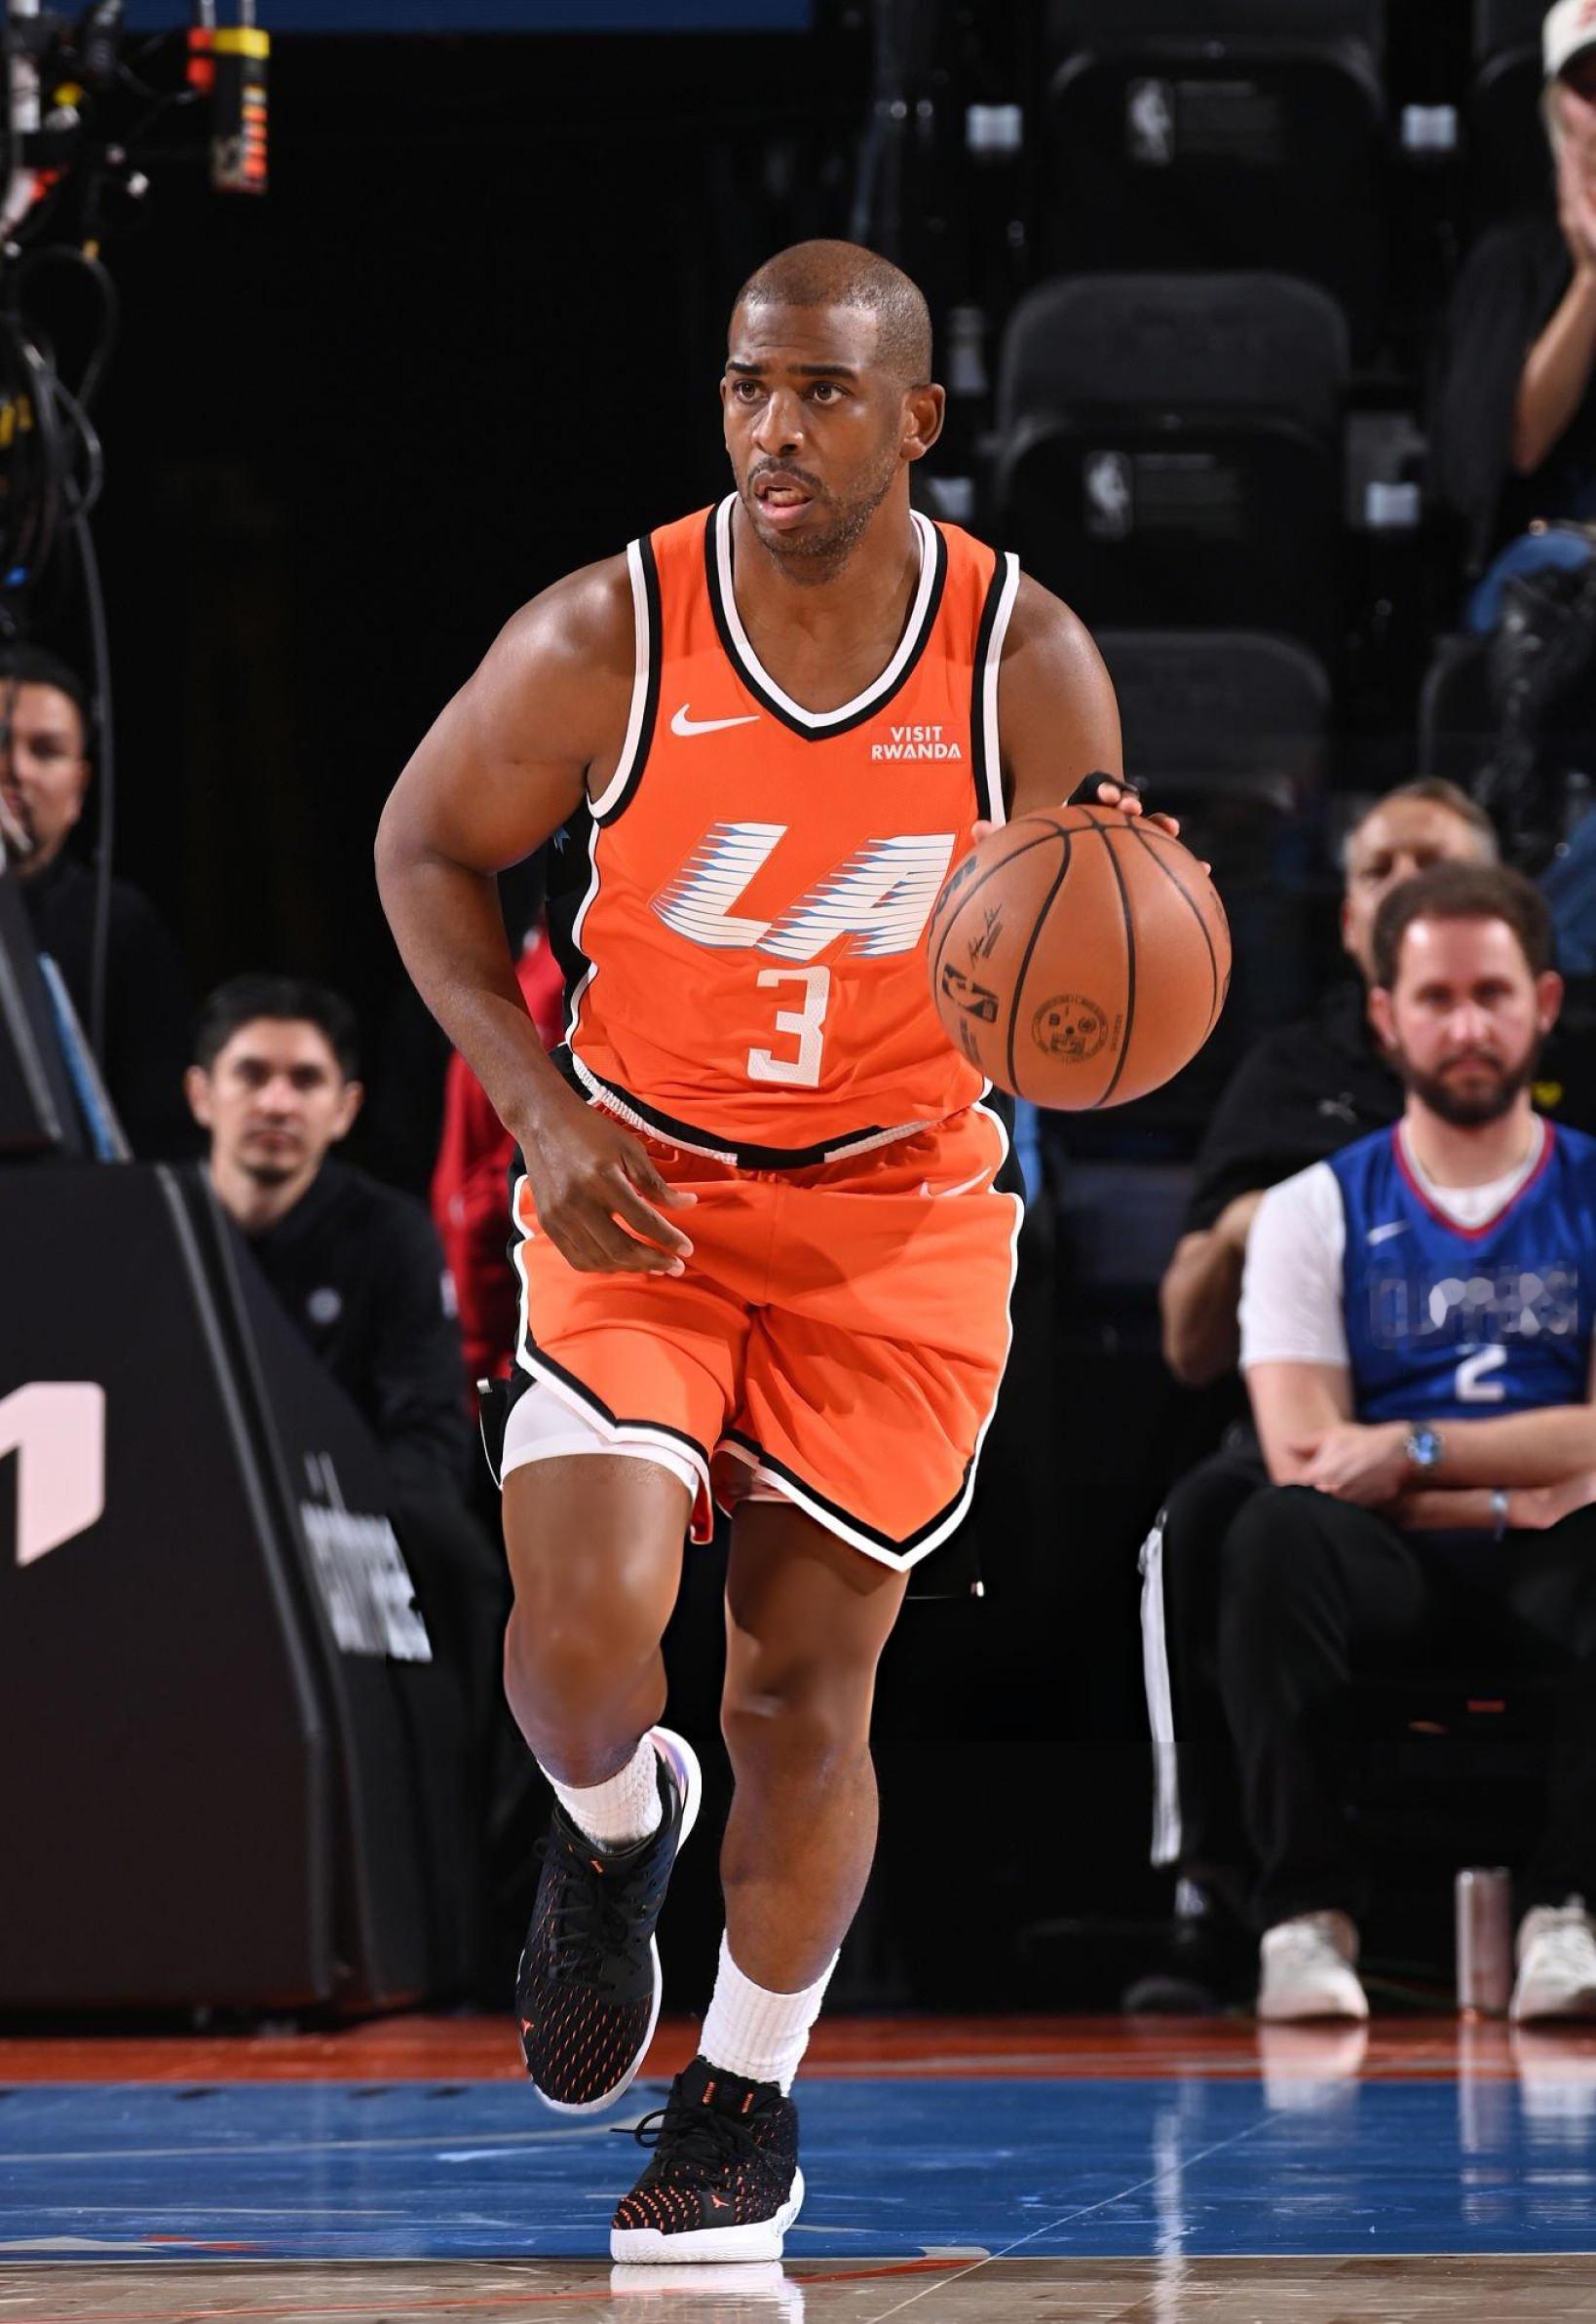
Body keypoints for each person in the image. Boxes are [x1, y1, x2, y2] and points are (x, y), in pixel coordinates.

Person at [375, 238, 1159, 2261]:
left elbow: (1089, 949)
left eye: (820, 391)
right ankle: (611, 1825)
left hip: (893, 1214)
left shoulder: (1021, 660)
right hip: (640, 1189)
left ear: (918, 417)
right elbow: (422, 846)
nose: (773, 429)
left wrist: (1124, 938)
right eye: (746, 386)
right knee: (581, 1641)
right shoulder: (608, 632)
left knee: (800, 1692)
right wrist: (542, 1114)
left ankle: (743, 2095)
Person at [1228, 862, 1596, 2023]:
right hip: (1395, 1568)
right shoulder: (1310, 1207)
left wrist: (1412, 1450)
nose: (1468, 1026)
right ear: (1386, 1016)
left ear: (1544, 1002)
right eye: (1437, 998)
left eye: (1493, 994)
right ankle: (1305, 1919)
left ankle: (1570, 1912)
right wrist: (1525, 1483)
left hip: (1561, 1561)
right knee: (1272, 1532)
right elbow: (1305, 1456)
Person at [1159, 780, 1501, 1393]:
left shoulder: (1567, 1069)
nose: (1403, 883)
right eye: (1377, 871)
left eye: (1433, 864)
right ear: (1349, 924)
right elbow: (1188, 1351)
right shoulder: (1288, 1071)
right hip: (1316, 1419)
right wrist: (1247, 1228)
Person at [185, 973, 472, 1500]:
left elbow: (430, 1445)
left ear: (345, 1109)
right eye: (251, 1075)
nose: (277, 1103)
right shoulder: (155, 1229)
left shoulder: (395, 1237)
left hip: (346, 1519)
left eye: (306, 1080)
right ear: (201, 1094)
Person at [1431, 2, 1596, 615]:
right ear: (1557, 112)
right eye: (1589, 89)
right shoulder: (1510, 264)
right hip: (1546, 596)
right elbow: (1515, 448)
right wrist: (1592, 279)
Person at [0, 643, 194, 1157]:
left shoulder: (122, 924)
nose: (15, 770)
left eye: (45, 751)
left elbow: (161, 1129)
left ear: (79, 788)